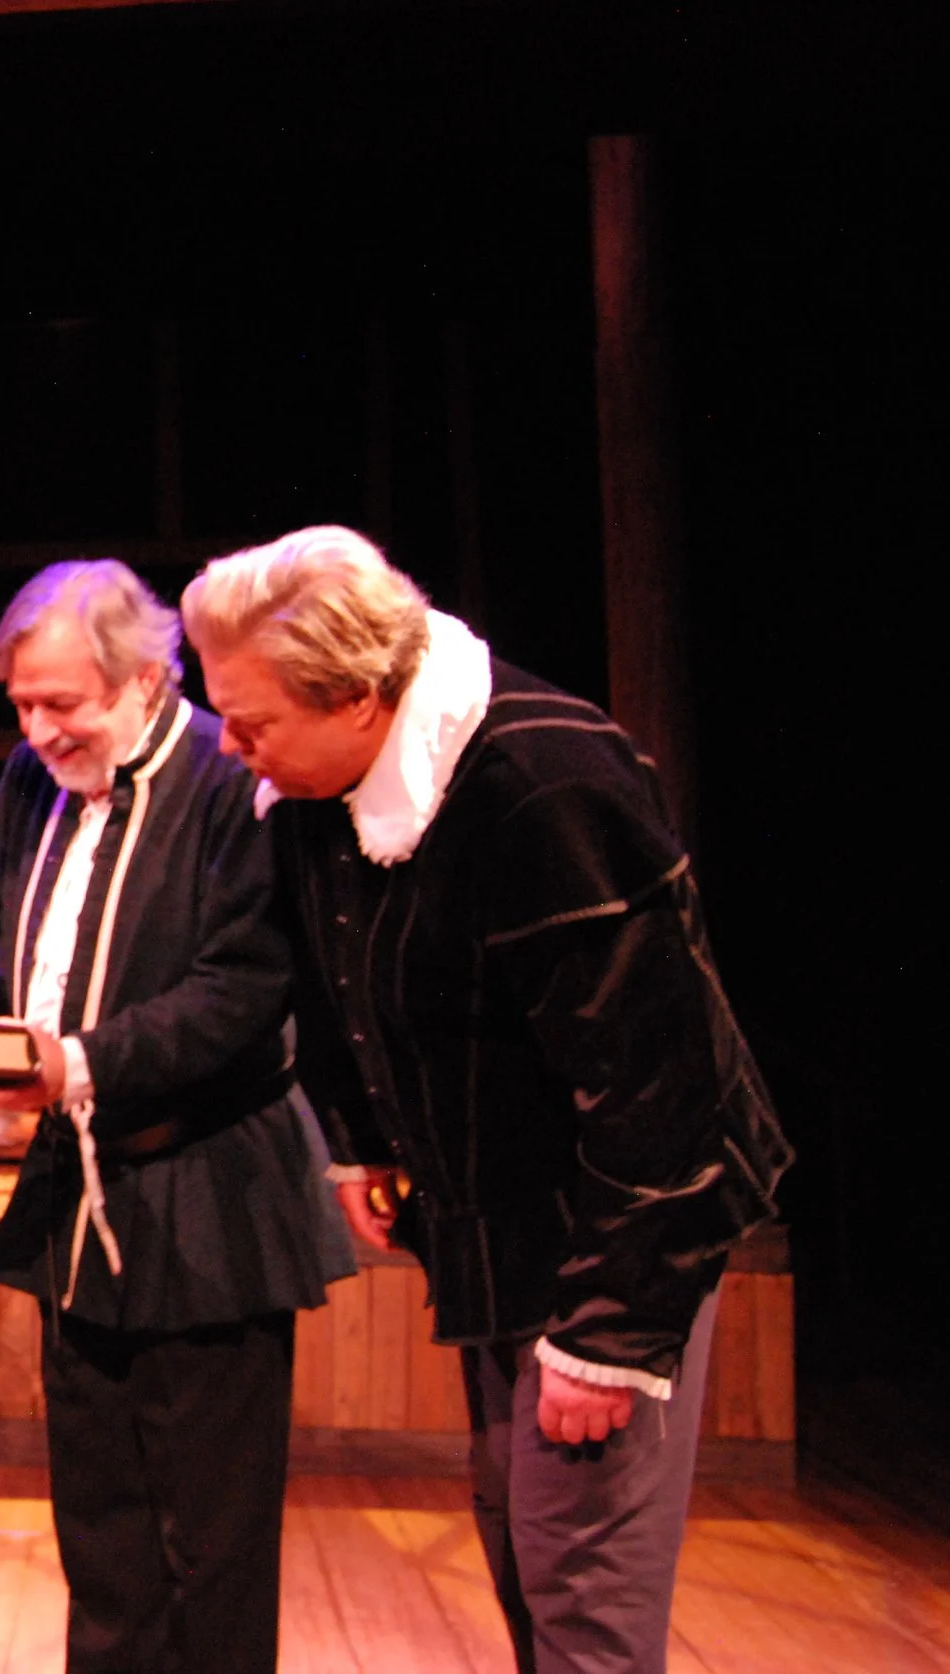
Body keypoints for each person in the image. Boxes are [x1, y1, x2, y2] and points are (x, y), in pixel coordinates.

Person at [182, 527, 792, 1674]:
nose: (230, 747)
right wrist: (363, 1142)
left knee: (582, 1585)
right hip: (500, 1220)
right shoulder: (319, 788)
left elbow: (663, 1083)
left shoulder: (544, 783)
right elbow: (337, 973)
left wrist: (609, 1331)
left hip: (617, 1231)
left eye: (251, 722)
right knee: (520, 1540)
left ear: (356, 697)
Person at [0, 560, 350, 1673]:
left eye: (61, 703)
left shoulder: (231, 778)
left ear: (146, 678)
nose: (36, 731)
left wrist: (76, 1064)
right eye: (21, 705)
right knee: (100, 1536)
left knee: (213, 1545)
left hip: (211, 1199)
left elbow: (241, 990)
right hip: (79, 1202)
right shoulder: (30, 783)